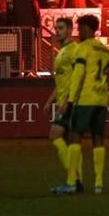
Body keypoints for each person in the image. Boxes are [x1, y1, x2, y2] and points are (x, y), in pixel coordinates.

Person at [53, 15, 109, 195]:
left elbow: (78, 75)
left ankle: (72, 181)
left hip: (85, 99)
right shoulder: (104, 50)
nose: (79, 32)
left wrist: (70, 101)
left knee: (74, 136)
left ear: (88, 29)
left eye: (81, 28)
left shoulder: (83, 48)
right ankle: (99, 183)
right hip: (102, 98)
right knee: (98, 139)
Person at [43, 18, 82, 193]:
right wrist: (50, 100)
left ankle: (72, 181)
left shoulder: (73, 51)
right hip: (64, 101)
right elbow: (61, 81)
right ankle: (76, 181)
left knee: (55, 135)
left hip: (71, 103)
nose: (56, 31)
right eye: (56, 28)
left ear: (69, 31)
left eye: (60, 28)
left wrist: (67, 102)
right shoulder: (62, 51)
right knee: (69, 141)